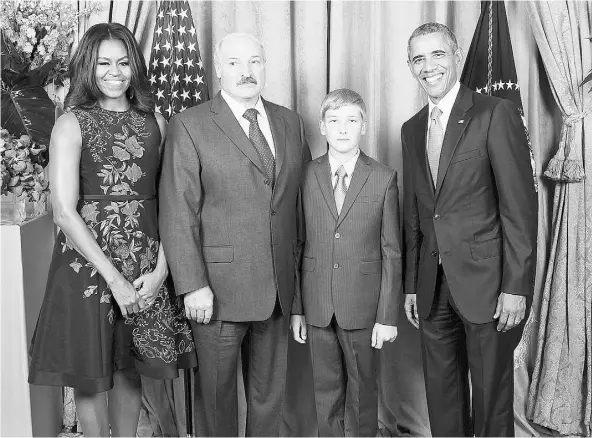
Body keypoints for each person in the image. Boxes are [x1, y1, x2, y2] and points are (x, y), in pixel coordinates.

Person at [28, 23, 196, 437]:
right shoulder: (72, 123)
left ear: (134, 66)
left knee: (130, 367)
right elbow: (65, 212)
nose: (114, 72)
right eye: (103, 62)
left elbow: (176, 203)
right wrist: (114, 278)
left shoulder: (156, 120)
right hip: (88, 265)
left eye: (123, 62)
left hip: (144, 261)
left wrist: (161, 271)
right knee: (90, 373)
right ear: (88, 66)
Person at [158, 32, 311, 436]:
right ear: (218, 69)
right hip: (217, 293)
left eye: (255, 62)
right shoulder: (189, 125)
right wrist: (192, 285)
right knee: (216, 398)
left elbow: (300, 207)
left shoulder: (289, 121)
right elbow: (178, 211)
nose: (247, 72)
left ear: (265, 65)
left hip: (278, 290)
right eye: (235, 63)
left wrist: (299, 292)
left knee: (268, 399)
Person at [401, 22, 538, 436]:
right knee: (442, 395)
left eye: (437, 54)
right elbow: (416, 214)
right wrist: (411, 283)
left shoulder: (494, 113)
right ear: (410, 66)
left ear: (456, 56)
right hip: (432, 283)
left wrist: (516, 285)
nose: (429, 66)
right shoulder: (411, 129)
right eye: (418, 58)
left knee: (492, 397)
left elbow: (519, 208)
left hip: (489, 285)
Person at [290, 89, 401, 437]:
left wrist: (386, 316)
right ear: (322, 127)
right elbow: (297, 245)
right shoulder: (304, 176)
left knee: (363, 392)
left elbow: (392, 252)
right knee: (326, 392)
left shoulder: (383, 178)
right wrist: (297, 308)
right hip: (318, 304)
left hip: (364, 308)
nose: (342, 129)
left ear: (363, 126)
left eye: (351, 120)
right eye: (334, 121)